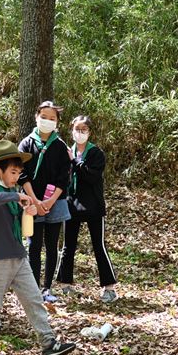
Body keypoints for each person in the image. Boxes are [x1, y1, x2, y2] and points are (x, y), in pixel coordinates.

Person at [0, 140, 76, 355]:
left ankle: (49, 343)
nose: (16, 177)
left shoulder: (14, 191)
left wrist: (29, 212)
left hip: (18, 256)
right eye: (13, 172)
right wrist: (18, 196)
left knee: (34, 299)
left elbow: (24, 229)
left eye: (18, 173)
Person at [56, 115, 118, 303]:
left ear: (89, 132)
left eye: (84, 130)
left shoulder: (96, 153)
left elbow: (91, 176)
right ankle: (65, 285)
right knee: (68, 246)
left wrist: (74, 161)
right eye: (77, 129)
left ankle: (109, 288)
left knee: (98, 246)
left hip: (93, 206)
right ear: (71, 130)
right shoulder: (67, 152)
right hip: (71, 205)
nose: (80, 133)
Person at [18, 101, 72, 303]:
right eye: (44, 117)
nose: (47, 121)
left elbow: (63, 177)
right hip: (30, 202)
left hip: (55, 203)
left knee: (51, 246)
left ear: (57, 122)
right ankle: (32, 288)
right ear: (36, 117)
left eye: (52, 118)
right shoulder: (26, 144)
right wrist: (35, 200)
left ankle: (47, 287)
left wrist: (49, 201)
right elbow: (21, 175)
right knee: (33, 244)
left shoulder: (60, 146)